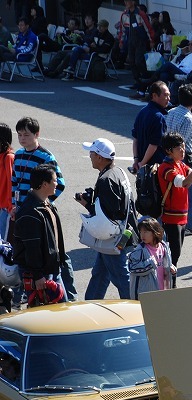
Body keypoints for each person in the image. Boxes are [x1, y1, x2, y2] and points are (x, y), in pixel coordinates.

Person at [12, 117, 74, 300]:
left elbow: (60, 184)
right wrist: (15, 206)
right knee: (27, 249)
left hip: (40, 210)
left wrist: (43, 201)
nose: (22, 139)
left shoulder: (46, 157)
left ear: (37, 134)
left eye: (27, 135)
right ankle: (23, 292)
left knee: (54, 253)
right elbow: (14, 183)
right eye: (20, 135)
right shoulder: (19, 155)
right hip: (23, 210)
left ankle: (69, 295)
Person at [80, 138, 135, 301]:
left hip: (113, 237)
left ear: (99, 157)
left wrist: (88, 205)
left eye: (92, 152)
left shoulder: (106, 180)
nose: (89, 155)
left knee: (120, 277)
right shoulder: (118, 172)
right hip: (125, 231)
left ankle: (137, 310)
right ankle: (90, 305)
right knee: (100, 273)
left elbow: (109, 216)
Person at [10, 164, 68, 304]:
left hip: (50, 270)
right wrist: (37, 276)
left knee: (61, 312)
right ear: (44, 184)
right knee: (46, 317)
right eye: (54, 180)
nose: (57, 183)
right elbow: (32, 247)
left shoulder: (46, 204)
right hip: (41, 275)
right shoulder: (30, 212)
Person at [157, 132, 192, 266]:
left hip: (182, 217)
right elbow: (185, 183)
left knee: (176, 254)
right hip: (170, 218)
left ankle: (170, 281)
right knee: (173, 255)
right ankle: (169, 283)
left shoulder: (180, 164)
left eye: (183, 147)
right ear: (169, 150)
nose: (182, 151)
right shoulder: (166, 168)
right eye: (179, 148)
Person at [165, 83, 192, 237]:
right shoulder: (189, 118)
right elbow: (183, 141)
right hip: (185, 156)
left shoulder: (172, 111)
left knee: (172, 189)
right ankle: (191, 225)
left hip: (168, 152)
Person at [127, 217, 174, 297]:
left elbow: (164, 264)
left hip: (163, 290)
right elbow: (131, 268)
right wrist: (149, 263)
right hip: (146, 293)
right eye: (141, 232)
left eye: (145, 232)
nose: (142, 235)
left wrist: (171, 268)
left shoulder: (164, 247)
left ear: (155, 232)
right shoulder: (140, 250)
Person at [131, 81, 169, 174]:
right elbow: (154, 144)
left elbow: (135, 139)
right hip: (155, 167)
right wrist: (142, 163)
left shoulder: (142, 111)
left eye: (169, 95)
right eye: (165, 95)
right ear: (155, 96)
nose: (168, 98)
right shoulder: (158, 117)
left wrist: (136, 160)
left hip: (141, 164)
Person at [117, 0, 156, 92]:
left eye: (128, 1)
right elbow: (122, 29)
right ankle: (137, 81)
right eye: (125, 1)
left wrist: (151, 40)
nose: (126, 3)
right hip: (130, 41)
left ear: (133, 2)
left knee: (139, 61)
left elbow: (148, 28)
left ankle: (147, 78)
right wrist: (121, 41)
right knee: (132, 62)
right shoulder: (124, 15)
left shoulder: (140, 14)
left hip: (141, 41)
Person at [0, 124, 13, 243]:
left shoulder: (8, 157)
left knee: (3, 243)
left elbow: (11, 184)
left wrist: (10, 206)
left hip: (4, 209)